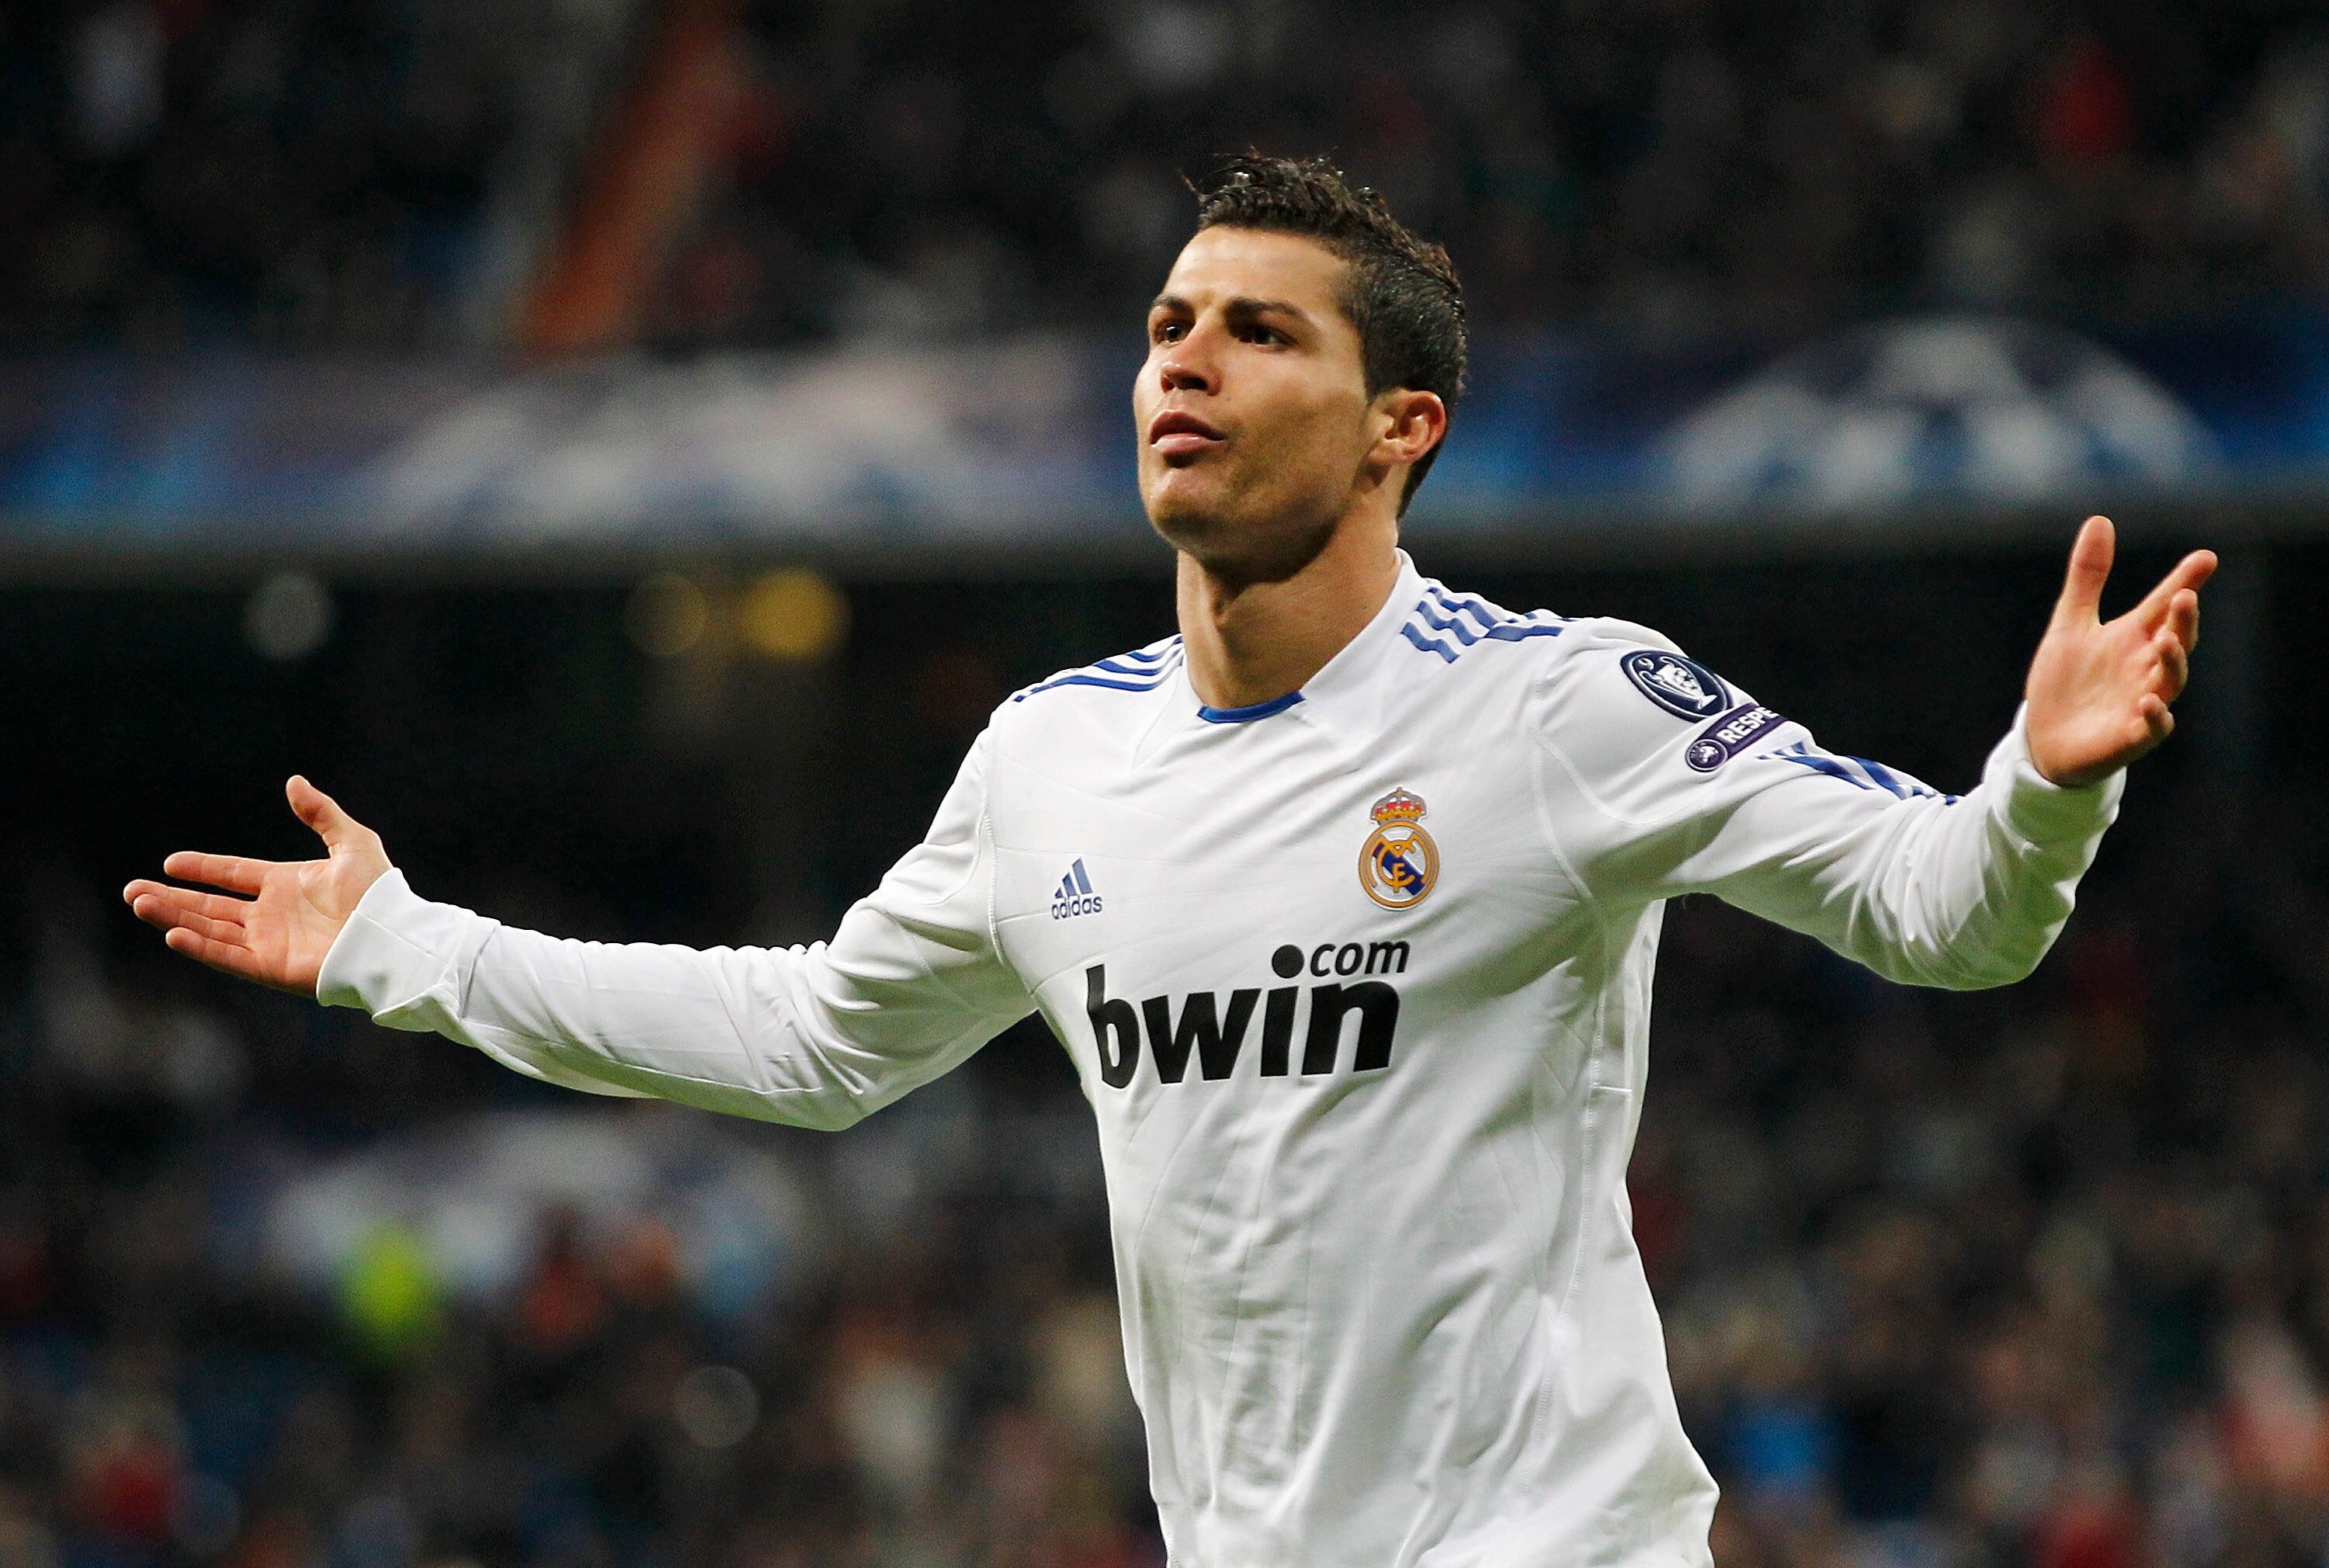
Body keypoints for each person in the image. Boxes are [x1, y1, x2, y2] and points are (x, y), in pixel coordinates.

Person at [126, 157, 2214, 1567]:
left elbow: (1942, 919)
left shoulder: (1561, 708)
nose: (1183, 362)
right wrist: (410, 948)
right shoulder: (1051, 761)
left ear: (1405, 423)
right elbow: (814, 1033)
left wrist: (2038, 782)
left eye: (1258, 333)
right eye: (1166, 323)